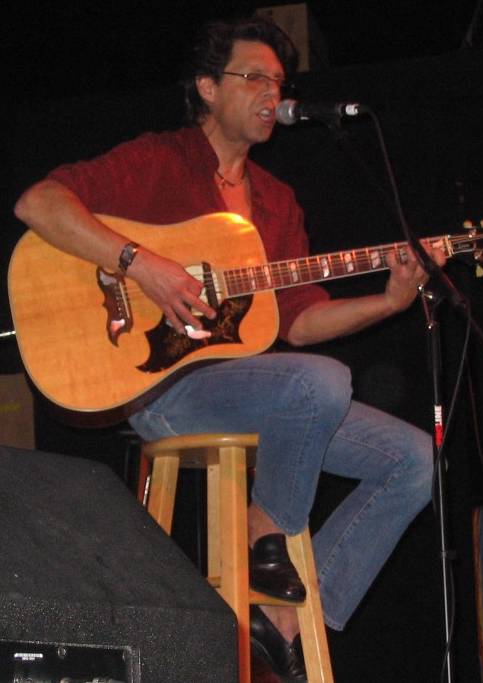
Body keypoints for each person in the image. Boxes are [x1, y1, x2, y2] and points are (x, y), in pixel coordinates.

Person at [14, 16, 446, 682]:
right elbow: (39, 203)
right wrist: (143, 264)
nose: (272, 92)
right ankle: (261, 542)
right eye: (255, 78)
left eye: (279, 81)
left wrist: (389, 302)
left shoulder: (276, 203)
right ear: (208, 89)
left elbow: (299, 326)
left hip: (266, 394)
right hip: (164, 388)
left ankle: (277, 623)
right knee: (321, 383)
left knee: (415, 460)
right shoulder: (160, 160)